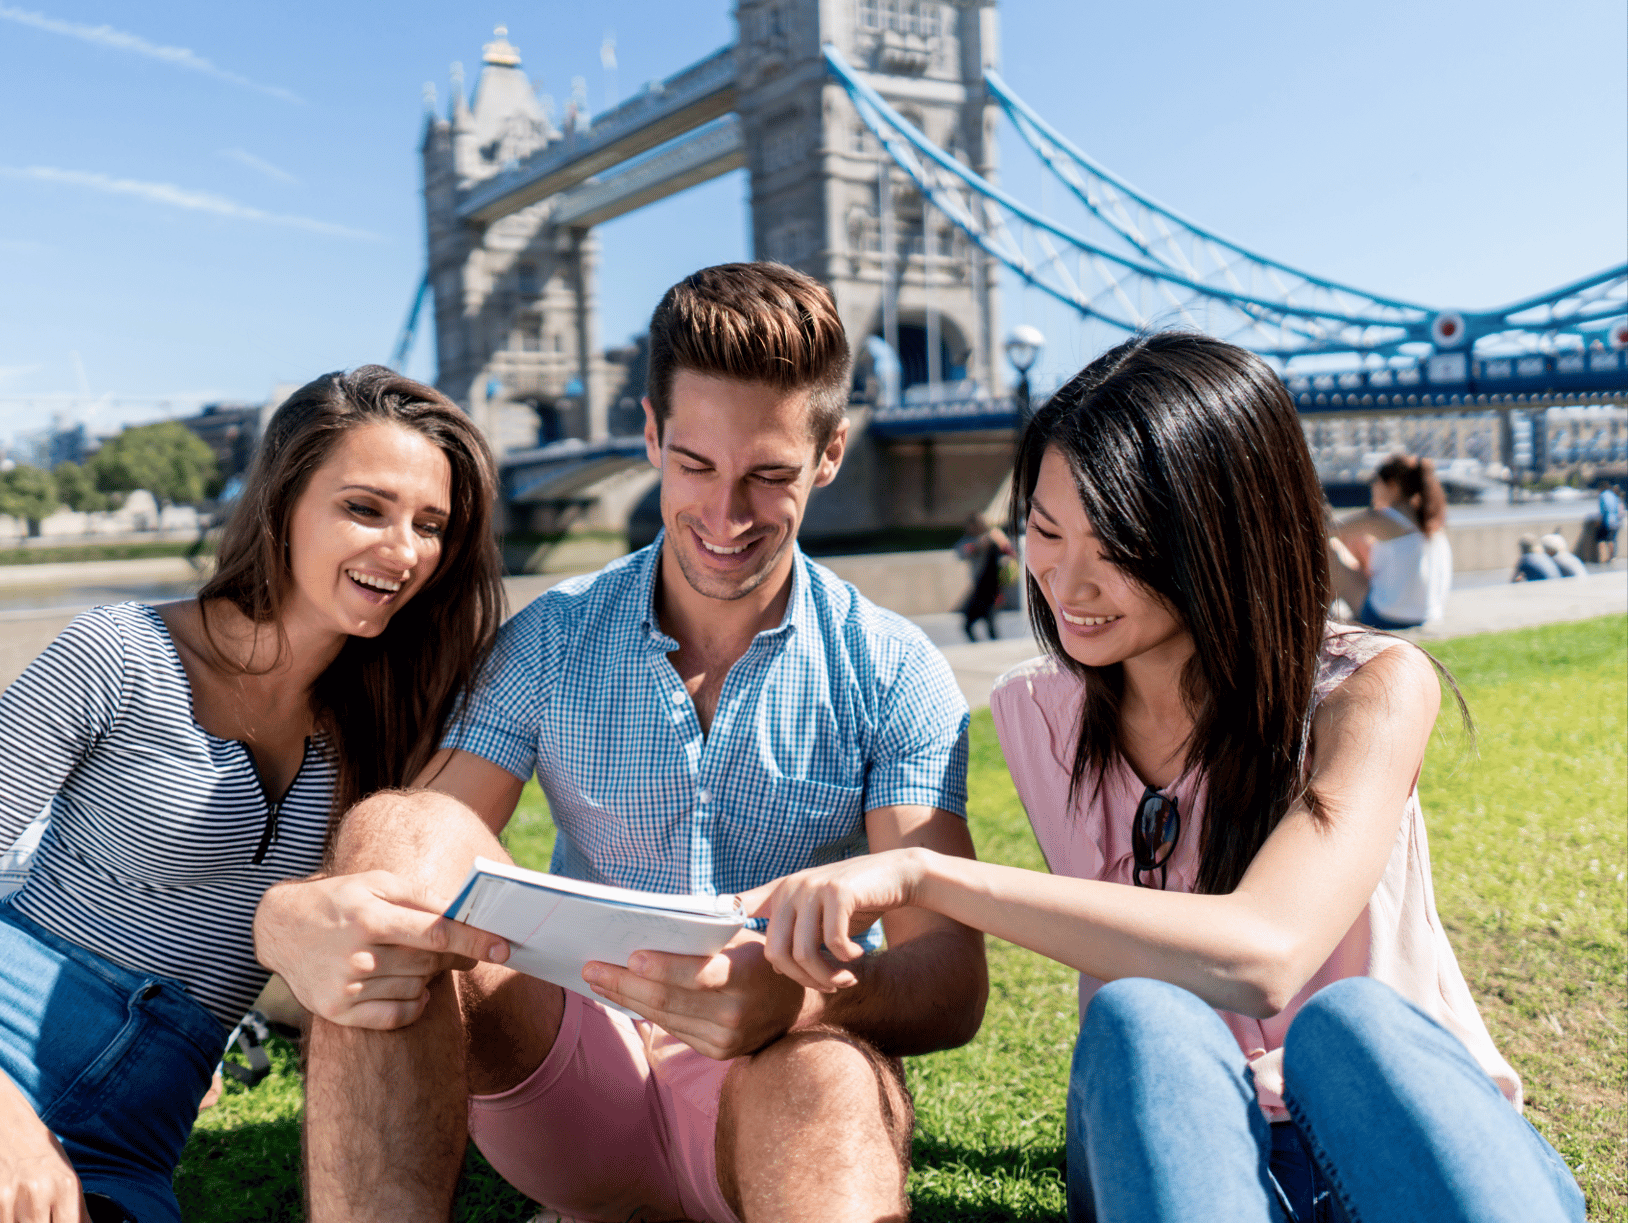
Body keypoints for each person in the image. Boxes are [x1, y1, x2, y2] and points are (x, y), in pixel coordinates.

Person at [747, 332, 1582, 1223]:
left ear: (1224, 535)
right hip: (1185, 1149)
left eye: (1116, 545)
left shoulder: (1367, 688)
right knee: (1143, 1017)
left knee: (1350, 1026)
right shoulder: (1037, 715)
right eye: (1045, 529)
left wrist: (924, 874)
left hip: (1389, 1139)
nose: (1068, 582)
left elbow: (1266, 952)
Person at [254, 262, 986, 1223]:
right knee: (399, 829)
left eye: (769, 476)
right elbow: (419, 857)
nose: (725, 518)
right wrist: (296, 915)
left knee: (829, 1078)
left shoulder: (892, 668)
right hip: (571, 1083)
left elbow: (951, 980)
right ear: (650, 433)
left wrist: (801, 1002)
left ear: (831, 452)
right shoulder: (552, 640)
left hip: (775, 1088)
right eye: (694, 465)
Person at [0, 368, 510, 1223]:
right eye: (365, 508)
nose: (403, 550)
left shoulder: (387, 719)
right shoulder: (119, 654)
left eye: (431, 525)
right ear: (283, 501)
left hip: (133, 1135)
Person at [1327, 452, 1452, 629]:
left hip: (1385, 617)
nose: (1372, 487)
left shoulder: (1381, 519)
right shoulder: (1430, 521)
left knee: (1327, 549)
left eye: (1375, 481)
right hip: (1427, 615)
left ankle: (1323, 616)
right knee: (1355, 542)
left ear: (1392, 485)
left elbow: (1324, 532)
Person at [956, 510, 1013, 641]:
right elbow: (961, 553)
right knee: (972, 624)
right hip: (979, 587)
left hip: (992, 587)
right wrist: (979, 544)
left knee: (988, 622)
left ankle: (994, 648)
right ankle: (985, 646)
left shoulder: (995, 537)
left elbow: (1010, 552)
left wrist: (1000, 541)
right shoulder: (970, 540)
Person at [1596, 481, 1621, 565]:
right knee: (1611, 540)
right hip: (1615, 521)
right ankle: (1612, 557)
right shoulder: (1613, 495)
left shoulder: (1602, 495)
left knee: (1601, 540)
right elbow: (1617, 509)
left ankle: (1602, 558)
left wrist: (1600, 522)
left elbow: (1603, 510)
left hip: (1606, 520)